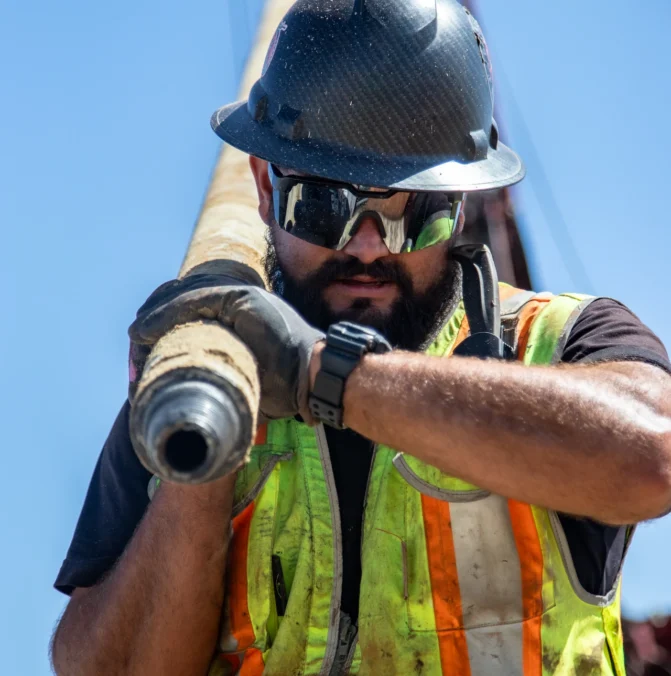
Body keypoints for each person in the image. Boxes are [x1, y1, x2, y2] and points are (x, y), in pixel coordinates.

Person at [51, 1, 671, 674]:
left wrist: (326, 374)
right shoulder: (198, 377)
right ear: (264, 185)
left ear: (459, 203)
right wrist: (206, 456)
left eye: (414, 218)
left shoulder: (558, 341)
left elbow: (652, 458)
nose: (369, 249)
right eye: (324, 207)